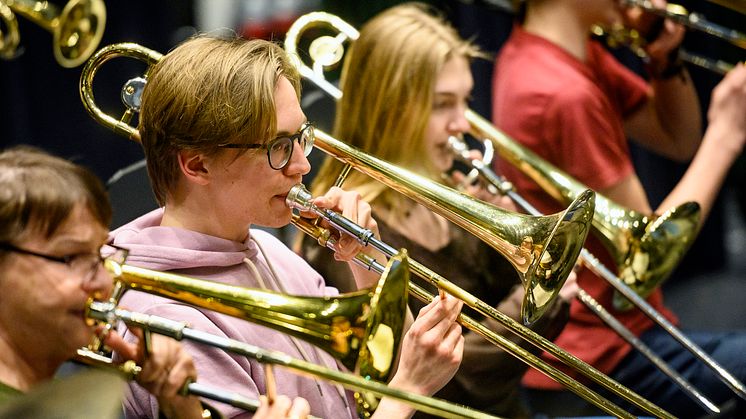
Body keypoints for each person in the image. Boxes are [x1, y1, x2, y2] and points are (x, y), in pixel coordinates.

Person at [107, 34, 466, 419]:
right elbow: (394, 390)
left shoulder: (268, 248)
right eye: (279, 146)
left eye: (300, 139)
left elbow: (370, 382)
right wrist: (409, 390)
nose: (302, 165)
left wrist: (367, 261)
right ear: (197, 165)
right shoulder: (168, 323)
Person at [299, 4, 578, 418]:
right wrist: (534, 306)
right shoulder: (344, 228)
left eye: (464, 100)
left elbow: (489, 296)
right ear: (390, 108)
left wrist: (513, 255)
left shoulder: (447, 191)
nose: (462, 123)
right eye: (443, 104)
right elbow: (444, 378)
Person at [492, 0, 746, 416]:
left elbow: (677, 139)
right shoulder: (561, 92)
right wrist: (727, 135)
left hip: (608, 337)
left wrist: (662, 59)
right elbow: (651, 249)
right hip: (599, 358)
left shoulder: (550, 52)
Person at [0, 146, 203, 417]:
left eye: (98, 256)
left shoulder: (71, 401)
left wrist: (180, 409)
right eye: (71, 256)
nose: (104, 282)